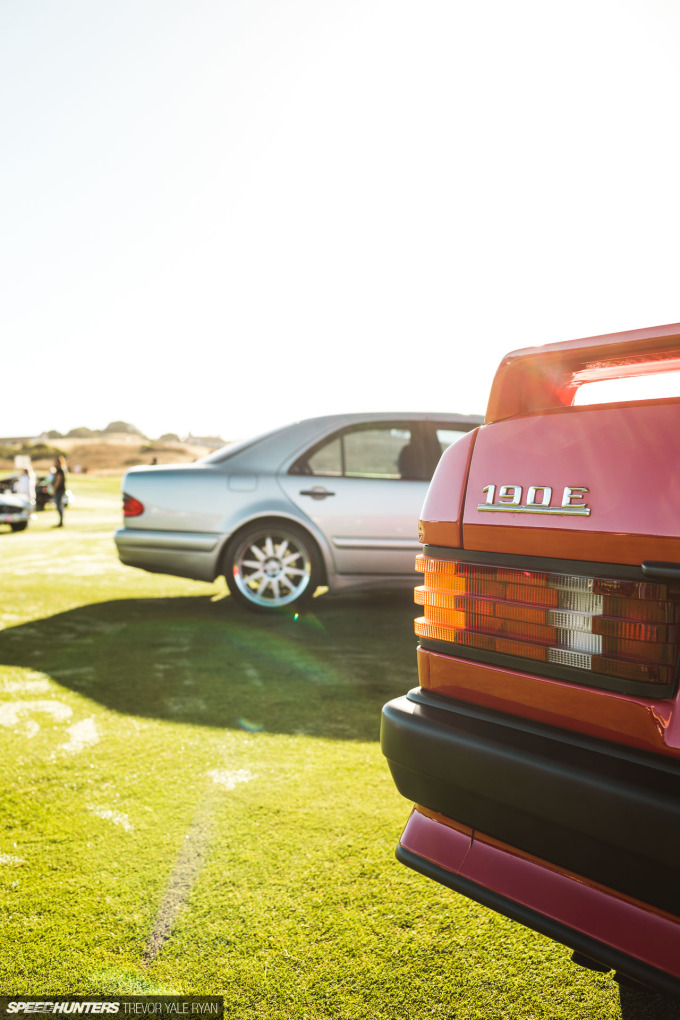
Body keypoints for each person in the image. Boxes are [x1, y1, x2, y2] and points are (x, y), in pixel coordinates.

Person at [53, 456, 68, 527]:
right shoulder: (63, 469)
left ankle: (61, 522)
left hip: (60, 490)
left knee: (59, 506)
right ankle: (61, 521)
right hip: (61, 490)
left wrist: (54, 489)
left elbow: (58, 480)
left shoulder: (60, 470)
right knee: (59, 506)